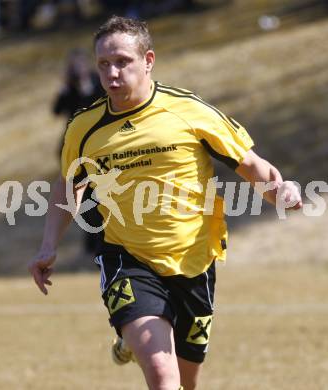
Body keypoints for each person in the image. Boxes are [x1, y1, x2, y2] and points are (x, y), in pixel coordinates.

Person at [29, 16, 302, 390]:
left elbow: (253, 166)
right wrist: (48, 246)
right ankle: (135, 325)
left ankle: (131, 337)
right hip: (128, 259)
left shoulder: (189, 111)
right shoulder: (83, 127)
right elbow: (67, 185)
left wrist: (281, 190)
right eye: (103, 64)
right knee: (162, 376)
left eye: (122, 61)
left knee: (186, 383)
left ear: (148, 60)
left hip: (195, 261)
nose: (112, 73)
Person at [53, 47, 104, 254]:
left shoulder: (96, 82)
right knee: (79, 197)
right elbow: (56, 110)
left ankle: (99, 241)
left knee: (99, 195)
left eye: (80, 64)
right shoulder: (69, 87)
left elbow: (96, 107)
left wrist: (85, 89)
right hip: (73, 148)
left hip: (94, 147)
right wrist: (64, 90)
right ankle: (91, 243)